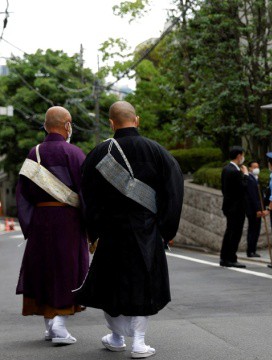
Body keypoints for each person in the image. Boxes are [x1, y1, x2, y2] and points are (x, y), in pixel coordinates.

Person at [75, 101, 183, 358]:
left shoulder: (99, 153)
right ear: (138, 120)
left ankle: (115, 336)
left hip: (111, 231)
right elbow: (174, 190)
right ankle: (139, 342)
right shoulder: (158, 152)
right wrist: (167, 229)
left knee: (110, 284)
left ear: (111, 123)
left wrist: (94, 231)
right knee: (143, 283)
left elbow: (87, 197)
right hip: (146, 230)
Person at [15, 106, 88, 345]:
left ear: (46, 126)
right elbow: (86, 193)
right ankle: (59, 325)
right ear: (67, 125)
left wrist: (29, 224)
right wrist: (91, 225)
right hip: (68, 221)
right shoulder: (75, 154)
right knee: (67, 269)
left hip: (40, 220)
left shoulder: (32, 153)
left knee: (43, 268)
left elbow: (22, 195)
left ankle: (49, 325)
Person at [220, 146, 249, 268]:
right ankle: (231, 258)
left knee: (229, 232)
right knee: (235, 233)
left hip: (228, 206)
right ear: (239, 156)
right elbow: (243, 188)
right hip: (237, 208)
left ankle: (224, 257)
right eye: (242, 155)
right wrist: (246, 175)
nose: (243, 157)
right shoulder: (235, 172)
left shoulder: (226, 169)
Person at [245, 160, 262, 258]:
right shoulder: (250, 179)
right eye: (254, 167)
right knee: (253, 230)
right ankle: (250, 250)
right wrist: (257, 209)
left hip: (255, 209)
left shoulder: (255, 178)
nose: (256, 169)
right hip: (253, 210)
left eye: (257, 167)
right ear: (250, 168)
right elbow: (253, 196)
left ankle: (252, 250)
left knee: (256, 230)